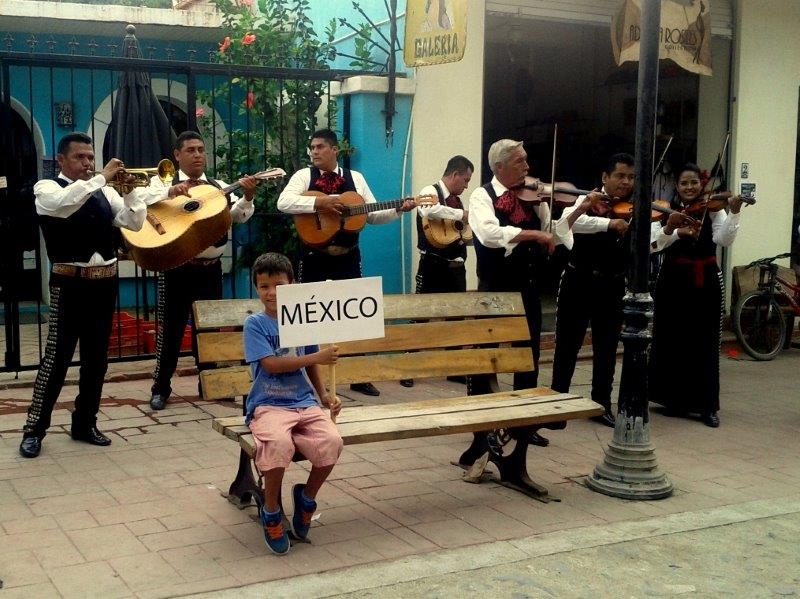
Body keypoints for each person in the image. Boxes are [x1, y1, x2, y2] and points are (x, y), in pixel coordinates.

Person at [19, 132, 172, 458]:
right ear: (61, 160)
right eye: (80, 158)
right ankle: (34, 429)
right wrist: (102, 177)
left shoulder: (104, 191)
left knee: (97, 361)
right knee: (56, 361)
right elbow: (63, 205)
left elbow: (133, 223)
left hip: (104, 284)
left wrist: (131, 194)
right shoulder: (46, 189)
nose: (88, 163)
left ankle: (85, 422)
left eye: (91, 157)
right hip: (68, 284)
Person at [467, 138, 601, 446]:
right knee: (484, 358)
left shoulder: (535, 198)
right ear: (499, 167)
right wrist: (533, 234)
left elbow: (554, 231)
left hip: (526, 287)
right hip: (494, 289)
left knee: (528, 356)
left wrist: (580, 208)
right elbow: (489, 234)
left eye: (526, 160)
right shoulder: (481, 196)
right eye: (519, 162)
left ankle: (524, 425)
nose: (528, 168)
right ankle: (480, 427)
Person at [277, 128, 415, 397]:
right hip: (314, 255)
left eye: (319, 147)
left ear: (334, 150)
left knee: (354, 315)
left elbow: (372, 214)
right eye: (312, 147)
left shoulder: (356, 179)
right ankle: (307, 375)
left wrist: (398, 209)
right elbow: (284, 202)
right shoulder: (304, 176)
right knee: (309, 315)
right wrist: (321, 204)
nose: (314, 152)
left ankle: (358, 376)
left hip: (348, 255)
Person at [148, 131, 258, 410]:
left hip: (211, 270)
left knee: (207, 331)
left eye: (201, 149)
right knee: (171, 331)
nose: (198, 154)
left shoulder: (217, 186)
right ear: (177, 155)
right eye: (191, 150)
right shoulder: (161, 183)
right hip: (176, 268)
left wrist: (247, 196)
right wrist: (170, 192)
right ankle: (160, 388)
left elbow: (237, 217)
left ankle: (210, 384)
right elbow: (142, 205)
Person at [244, 252, 343, 555]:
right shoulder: (255, 324)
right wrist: (317, 357)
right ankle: (271, 511)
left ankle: (307, 498)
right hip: (269, 404)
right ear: (257, 289)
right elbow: (272, 365)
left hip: (303, 401)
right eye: (263, 286)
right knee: (278, 445)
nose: (271, 293)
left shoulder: (302, 316)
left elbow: (311, 365)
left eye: (278, 285)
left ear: (293, 284)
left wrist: (324, 395)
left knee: (332, 441)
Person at [649, 163, 746, 427]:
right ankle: (673, 400)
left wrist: (734, 212)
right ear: (676, 187)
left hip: (704, 281)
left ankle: (707, 406)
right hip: (672, 281)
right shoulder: (666, 209)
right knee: (673, 337)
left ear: (701, 185)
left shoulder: (713, 210)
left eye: (694, 182)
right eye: (684, 183)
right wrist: (671, 227)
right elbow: (653, 244)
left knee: (704, 340)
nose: (689, 187)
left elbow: (724, 240)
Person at [550, 153, 635, 427]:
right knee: (567, 345)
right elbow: (567, 223)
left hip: (612, 284)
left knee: (607, 347)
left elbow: (653, 238)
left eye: (631, 177)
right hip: (579, 280)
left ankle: (601, 404)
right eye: (620, 176)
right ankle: (557, 404)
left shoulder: (634, 207)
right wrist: (609, 223)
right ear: (604, 178)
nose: (626, 182)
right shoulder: (587, 200)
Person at [401, 155, 474, 388]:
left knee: (456, 319)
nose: (466, 185)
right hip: (433, 265)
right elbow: (427, 210)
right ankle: (408, 368)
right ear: (455, 175)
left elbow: (458, 230)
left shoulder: (457, 200)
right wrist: (461, 214)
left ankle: (453, 368)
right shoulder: (429, 191)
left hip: (456, 267)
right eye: (465, 180)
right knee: (420, 316)